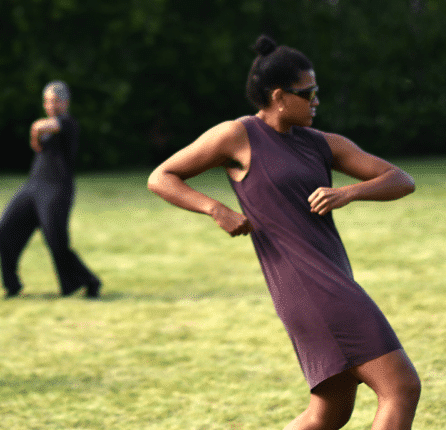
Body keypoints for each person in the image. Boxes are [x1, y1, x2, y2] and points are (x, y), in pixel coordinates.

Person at [147, 35, 421, 430]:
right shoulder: (238, 135)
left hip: (331, 279)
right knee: (401, 388)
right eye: (307, 92)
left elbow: (401, 179)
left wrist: (347, 192)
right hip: (310, 288)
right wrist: (216, 209)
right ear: (278, 95)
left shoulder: (321, 144)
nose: (315, 101)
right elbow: (162, 177)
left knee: (329, 413)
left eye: (316, 92)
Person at [0, 81, 101, 299]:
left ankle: (89, 282)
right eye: (47, 101)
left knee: (55, 240)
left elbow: (42, 127)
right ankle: (11, 284)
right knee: (3, 230)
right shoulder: (48, 128)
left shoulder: (68, 124)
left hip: (57, 190)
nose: (51, 105)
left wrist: (35, 129)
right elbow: (37, 143)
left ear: (65, 103)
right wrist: (35, 133)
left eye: (55, 101)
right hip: (33, 187)